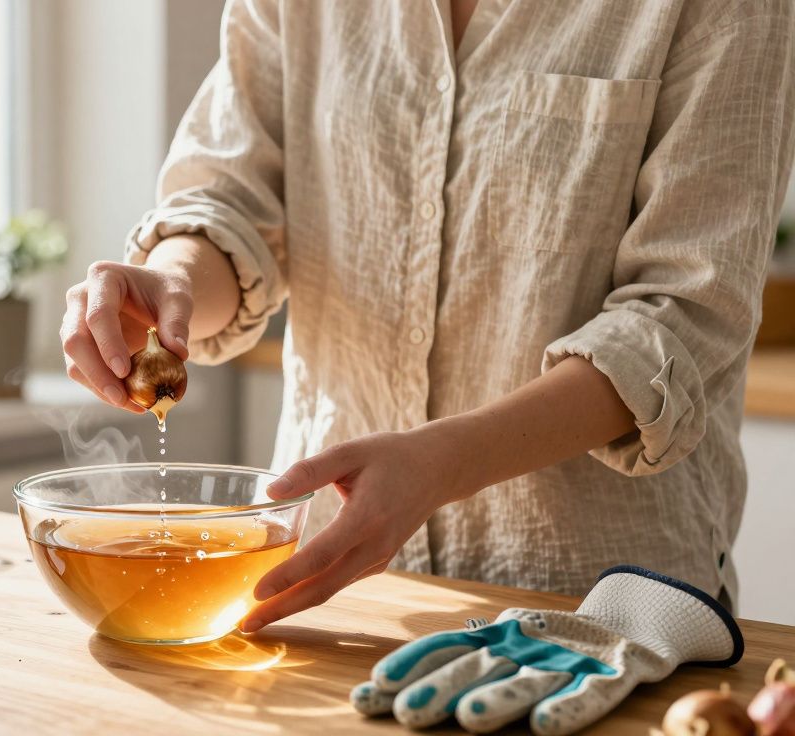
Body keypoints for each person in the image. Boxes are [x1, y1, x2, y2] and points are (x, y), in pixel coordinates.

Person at [59, 0, 795, 634]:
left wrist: (443, 462)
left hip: (604, 611)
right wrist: (171, 281)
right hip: (337, 603)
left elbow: (681, 319)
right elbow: (231, 201)